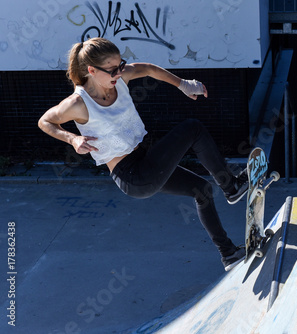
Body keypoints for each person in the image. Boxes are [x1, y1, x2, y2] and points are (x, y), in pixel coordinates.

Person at [38, 37, 248, 271]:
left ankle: (228, 254)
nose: (119, 73)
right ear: (91, 70)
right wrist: (73, 138)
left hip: (146, 161)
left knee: (203, 191)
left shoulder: (119, 78)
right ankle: (232, 188)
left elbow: (147, 69)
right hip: (132, 176)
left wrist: (183, 84)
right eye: (113, 70)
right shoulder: (77, 103)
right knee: (193, 129)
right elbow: (45, 121)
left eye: (121, 66)